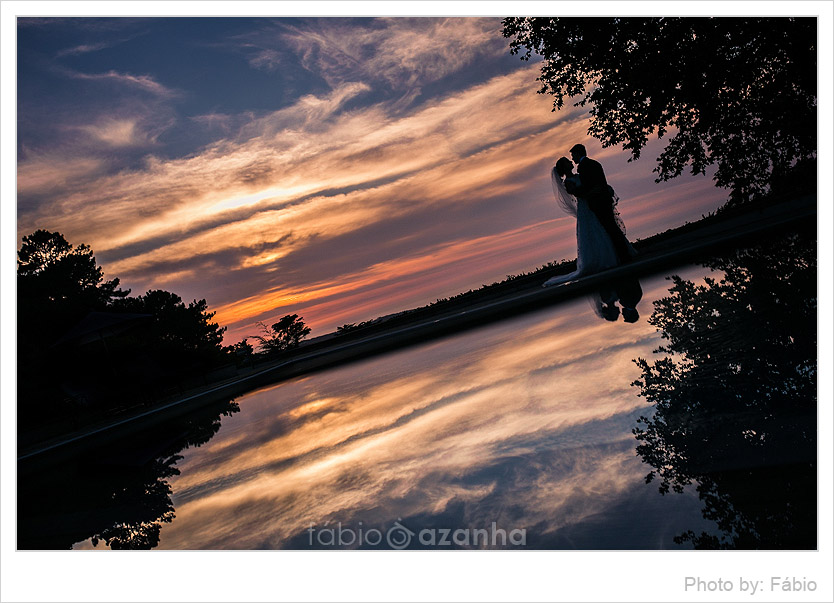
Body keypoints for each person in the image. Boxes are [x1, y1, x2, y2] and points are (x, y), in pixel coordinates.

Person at [543, 154, 642, 322]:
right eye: (567, 161)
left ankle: (613, 256)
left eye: (569, 160)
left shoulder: (579, 177)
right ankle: (606, 259)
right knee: (594, 235)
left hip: (593, 206)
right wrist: (593, 192)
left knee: (603, 232)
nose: (570, 162)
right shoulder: (569, 182)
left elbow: (589, 185)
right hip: (586, 209)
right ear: (564, 168)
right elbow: (580, 193)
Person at [567, 144, 634, 264]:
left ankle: (623, 256)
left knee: (610, 229)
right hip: (604, 200)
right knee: (612, 228)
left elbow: (588, 186)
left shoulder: (583, 167)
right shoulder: (595, 163)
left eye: (573, 155)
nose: (572, 158)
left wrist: (575, 191)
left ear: (578, 153)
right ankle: (623, 254)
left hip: (598, 202)